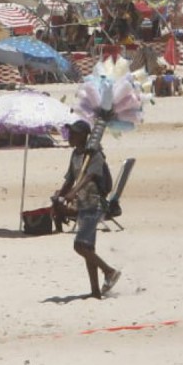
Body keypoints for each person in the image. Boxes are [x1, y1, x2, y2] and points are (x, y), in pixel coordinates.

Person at [52, 120, 120, 299]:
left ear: (83, 135)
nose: (70, 137)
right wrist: (61, 195)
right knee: (88, 249)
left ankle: (109, 271)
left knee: (79, 246)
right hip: (83, 205)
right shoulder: (75, 154)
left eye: (73, 134)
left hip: (94, 204)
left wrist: (74, 192)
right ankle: (95, 291)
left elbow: (89, 176)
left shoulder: (95, 155)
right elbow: (70, 179)